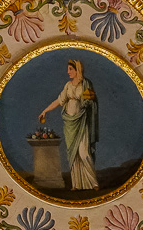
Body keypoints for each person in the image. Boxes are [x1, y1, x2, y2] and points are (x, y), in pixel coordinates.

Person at [37, 58, 99, 191]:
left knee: (84, 153)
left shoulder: (86, 84)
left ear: (78, 70)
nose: (68, 72)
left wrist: (89, 101)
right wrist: (45, 111)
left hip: (81, 122)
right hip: (69, 123)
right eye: (68, 69)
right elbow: (59, 101)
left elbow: (92, 101)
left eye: (70, 69)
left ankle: (93, 183)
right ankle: (76, 184)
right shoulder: (68, 85)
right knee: (73, 154)